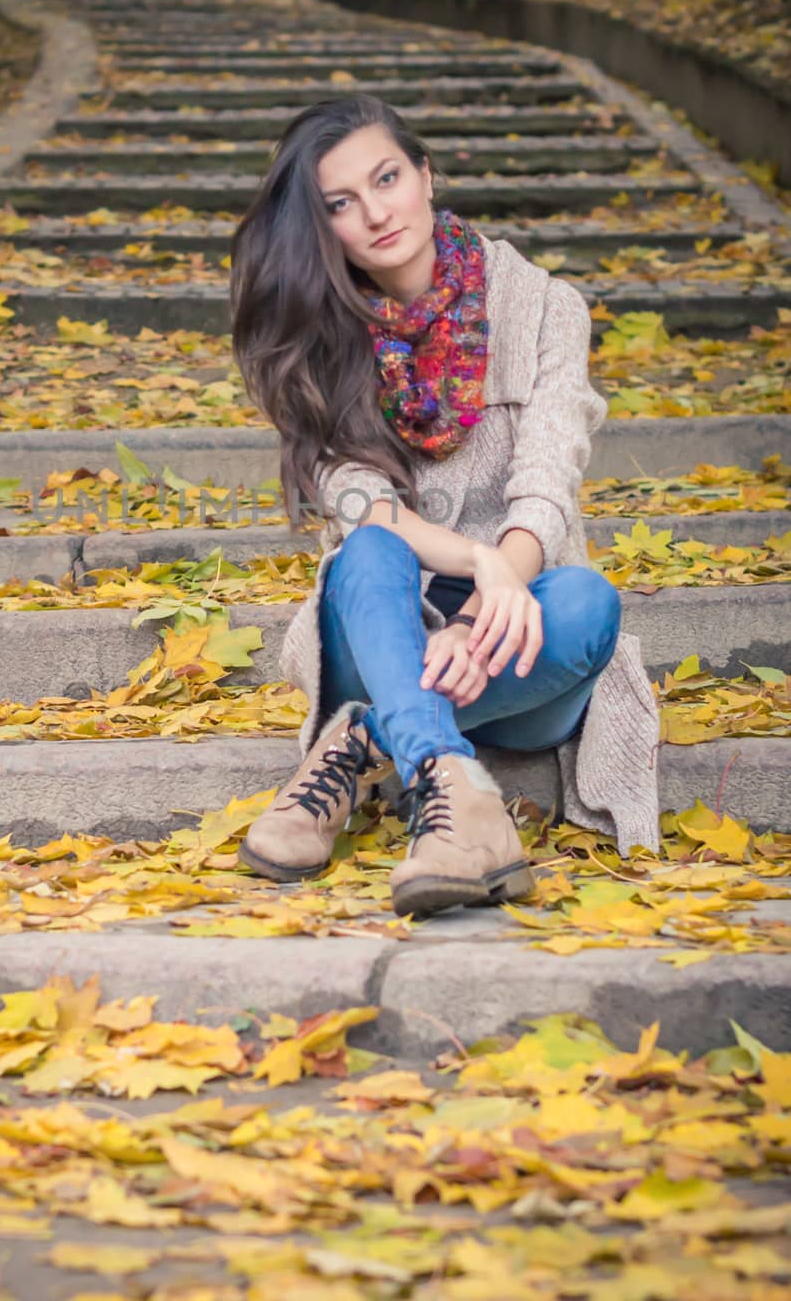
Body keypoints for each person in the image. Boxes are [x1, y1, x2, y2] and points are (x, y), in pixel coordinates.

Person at [229, 93, 660, 918]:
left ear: (426, 174)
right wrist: (473, 560)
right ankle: (456, 796)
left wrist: (488, 607)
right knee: (367, 550)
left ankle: (363, 733)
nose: (378, 212)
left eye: (388, 178)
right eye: (341, 204)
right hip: (381, 620)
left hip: (522, 637)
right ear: (323, 230)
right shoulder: (323, 338)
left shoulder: (543, 308)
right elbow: (359, 500)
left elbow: (548, 476)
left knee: (590, 602)